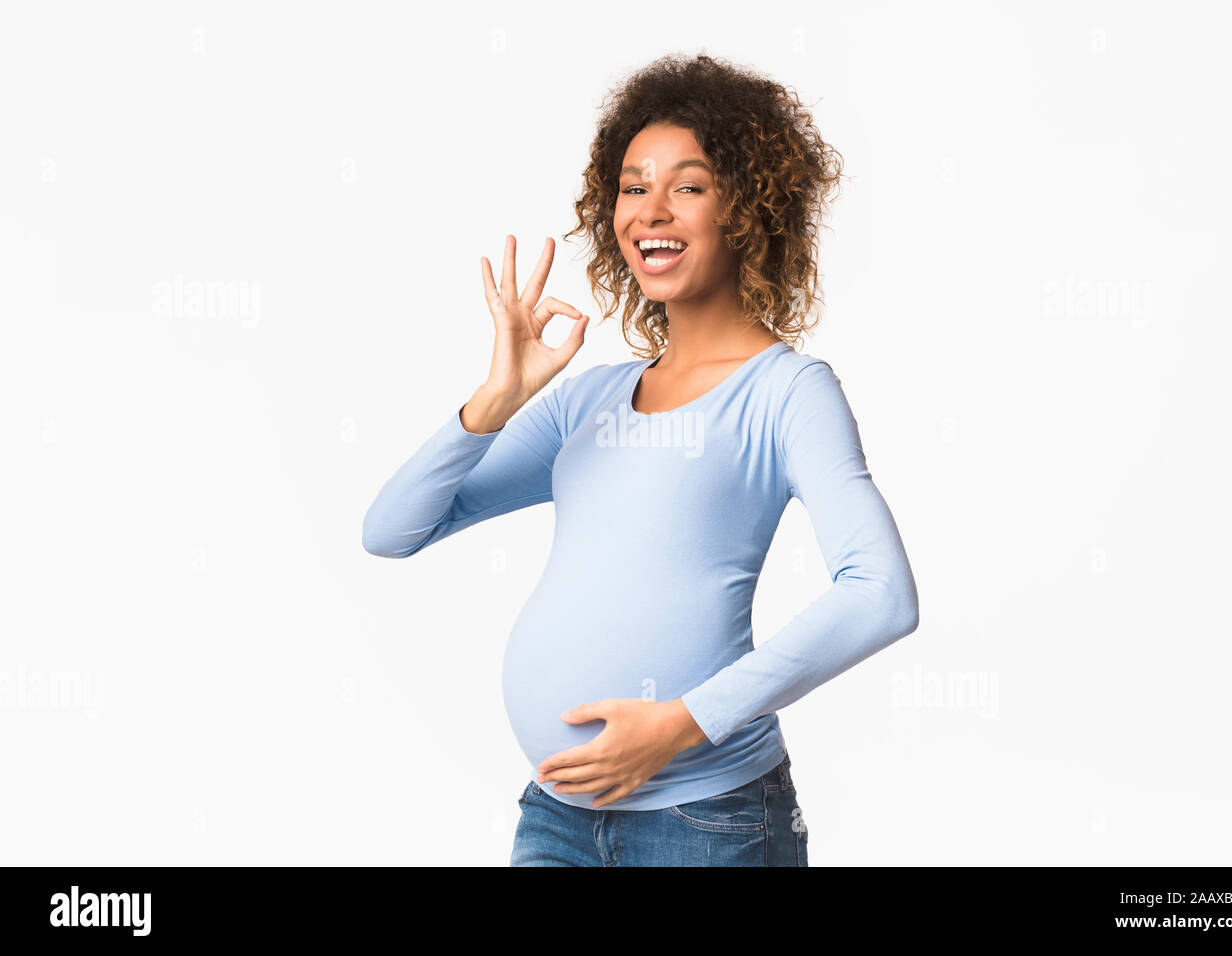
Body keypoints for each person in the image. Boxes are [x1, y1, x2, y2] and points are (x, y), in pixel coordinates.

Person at [362, 53, 919, 866]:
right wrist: (493, 399)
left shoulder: (787, 392)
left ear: (747, 209)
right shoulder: (585, 400)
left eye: (688, 186)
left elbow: (882, 596)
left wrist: (681, 723)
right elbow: (391, 530)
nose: (651, 210)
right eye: (633, 185)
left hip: (708, 819)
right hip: (556, 817)